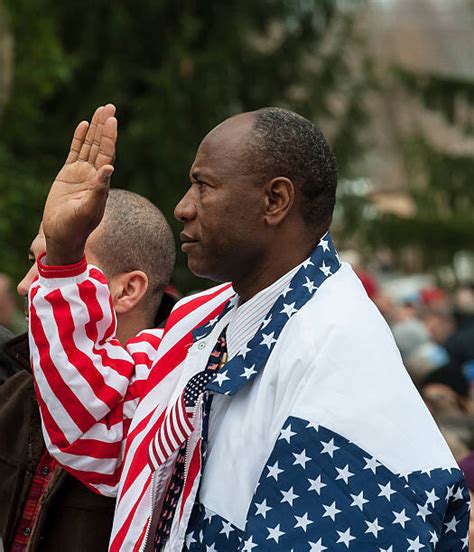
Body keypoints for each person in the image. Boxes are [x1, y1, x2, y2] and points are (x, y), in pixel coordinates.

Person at [30, 105, 469, 551]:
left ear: (275, 201)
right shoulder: (206, 315)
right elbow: (104, 425)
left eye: (203, 186)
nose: (182, 208)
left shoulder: (338, 350)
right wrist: (65, 253)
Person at [0, 188, 176, 551]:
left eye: (58, 264)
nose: (25, 285)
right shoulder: (13, 385)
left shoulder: (170, 422)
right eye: (35, 262)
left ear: (127, 290)